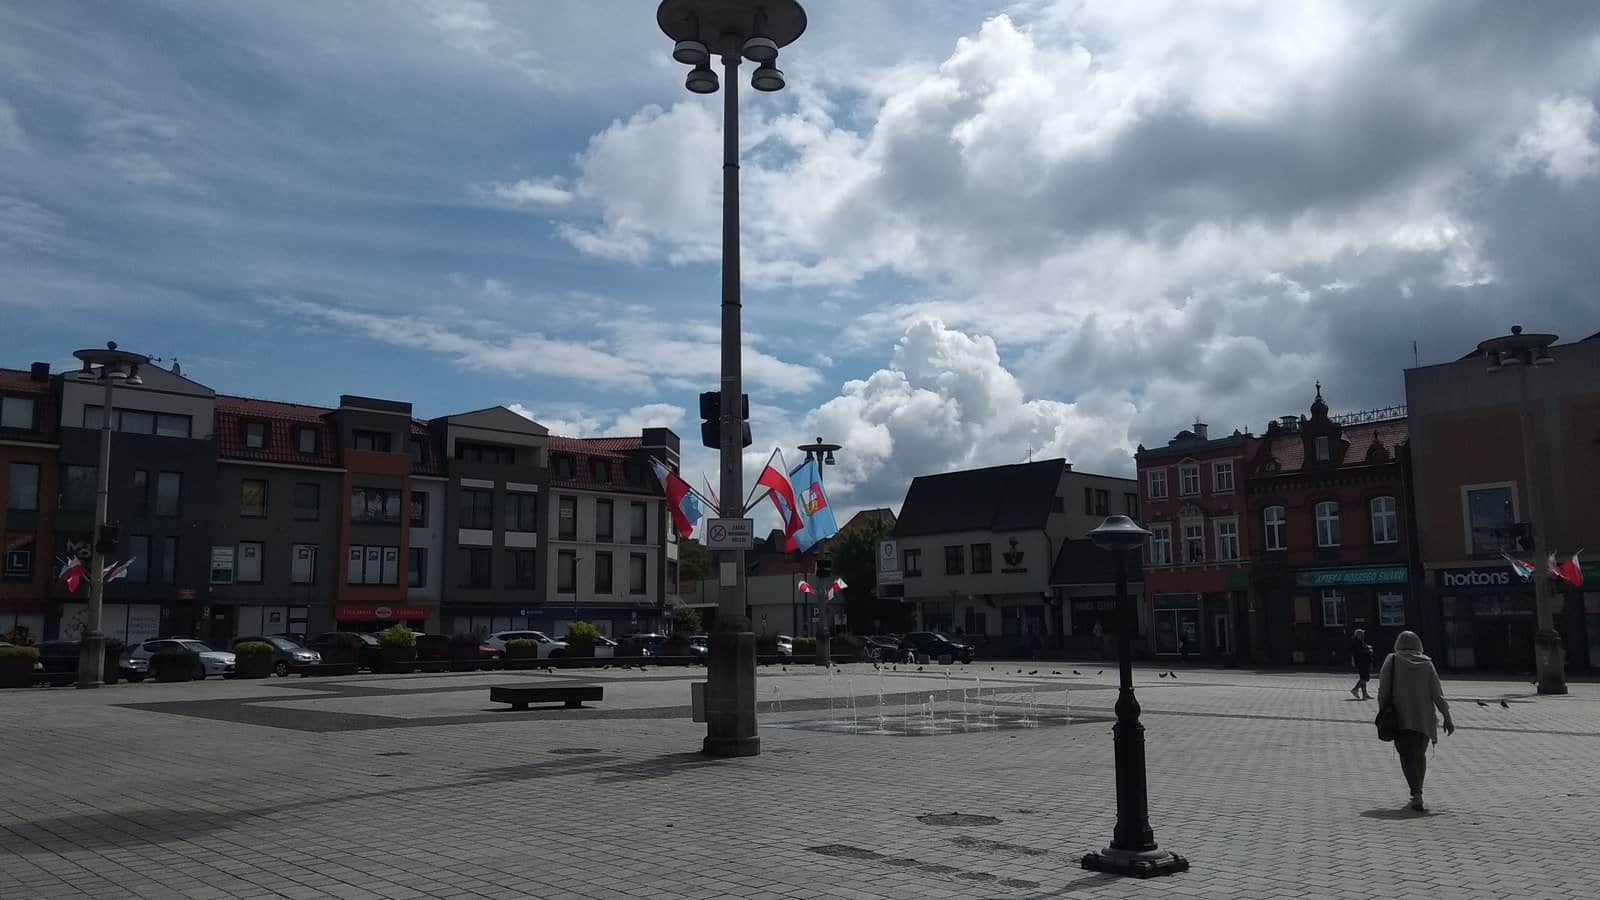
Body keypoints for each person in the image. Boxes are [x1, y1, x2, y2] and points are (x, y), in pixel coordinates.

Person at [1377, 631, 1454, 811]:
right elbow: (1437, 693)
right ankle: (1418, 790)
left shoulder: (1392, 661)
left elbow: (1383, 692)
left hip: (1400, 718)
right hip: (1424, 719)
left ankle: (1416, 793)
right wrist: (1447, 717)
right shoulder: (1427, 663)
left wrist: (1383, 712)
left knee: (1406, 756)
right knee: (1419, 755)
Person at [1349, 628, 1373, 700]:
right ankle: (1355, 689)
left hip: (1364, 662)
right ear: (1358, 635)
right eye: (1362, 634)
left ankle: (1365, 694)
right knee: (1365, 678)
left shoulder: (1360, 641)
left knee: (1363, 678)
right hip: (1362, 662)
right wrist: (1368, 650)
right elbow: (1360, 652)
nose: (1363, 635)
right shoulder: (1356, 642)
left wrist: (1367, 648)